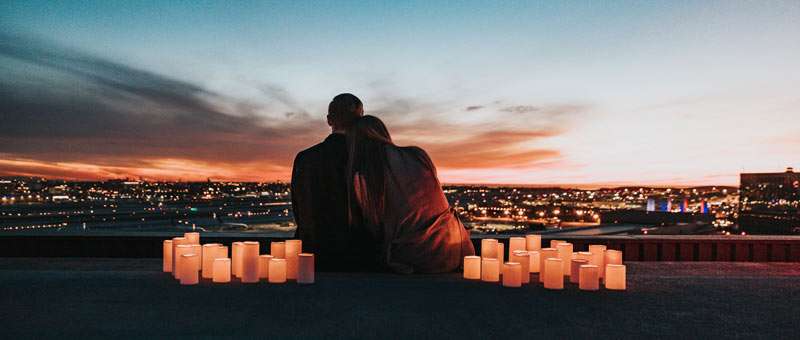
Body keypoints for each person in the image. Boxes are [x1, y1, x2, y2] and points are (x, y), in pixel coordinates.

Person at [347, 115, 475, 274]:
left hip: (418, 257)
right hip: (458, 248)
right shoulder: (418, 154)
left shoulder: (366, 175)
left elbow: (373, 226)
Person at [291, 93, 377, 271]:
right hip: (359, 256)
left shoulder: (305, 158)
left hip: (313, 254)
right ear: (360, 120)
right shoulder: (368, 157)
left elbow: (299, 211)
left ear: (329, 120)